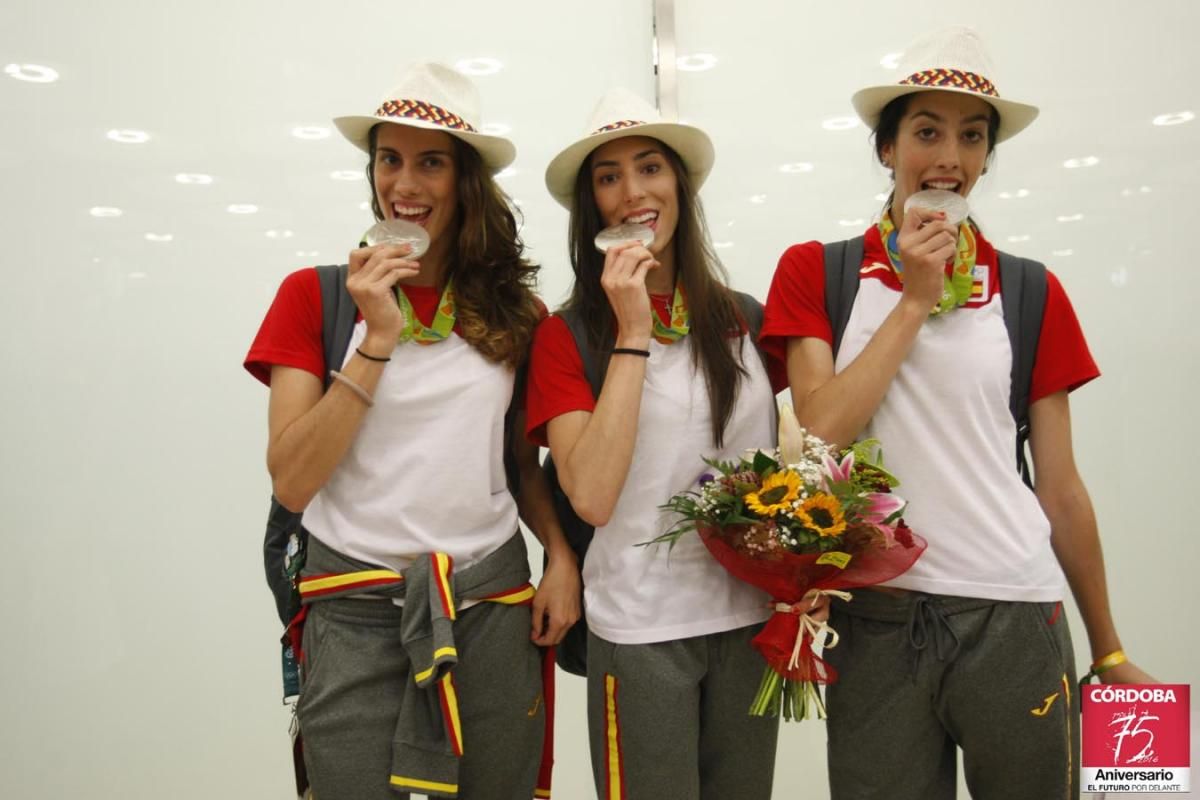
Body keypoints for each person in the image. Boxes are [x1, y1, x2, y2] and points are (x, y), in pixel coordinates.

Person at [761, 26, 1154, 800]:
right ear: (886, 147)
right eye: (926, 131)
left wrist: (1107, 650)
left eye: (972, 137)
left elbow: (1061, 488)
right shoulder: (819, 271)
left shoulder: (1030, 290)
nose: (950, 155)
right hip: (877, 623)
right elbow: (821, 430)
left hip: (1014, 614)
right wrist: (913, 297)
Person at [243, 62, 579, 800]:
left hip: (489, 606)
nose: (406, 183)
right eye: (389, 160)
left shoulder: (518, 315)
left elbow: (521, 469)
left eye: (431, 162)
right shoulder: (318, 297)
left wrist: (560, 557)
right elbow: (293, 477)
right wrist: (376, 339)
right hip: (353, 605)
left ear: (465, 183)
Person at [527, 88, 786, 800]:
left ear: (681, 185)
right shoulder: (568, 335)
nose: (632, 192)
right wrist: (632, 331)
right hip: (638, 633)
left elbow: (800, 456)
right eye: (608, 178)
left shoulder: (748, 321)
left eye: (649, 168)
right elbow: (593, 494)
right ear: (592, 208)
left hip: (751, 624)